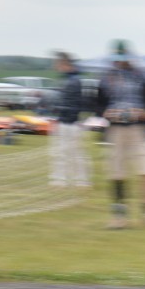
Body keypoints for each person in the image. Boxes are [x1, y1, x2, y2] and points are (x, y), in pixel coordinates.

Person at [94, 41, 145, 228]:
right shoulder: (105, 79)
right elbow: (97, 104)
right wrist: (106, 113)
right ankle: (119, 216)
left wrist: (144, 112)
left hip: (139, 129)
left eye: (123, 58)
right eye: (117, 58)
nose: (120, 62)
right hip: (116, 129)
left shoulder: (143, 76)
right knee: (117, 171)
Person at [49, 51, 90, 187]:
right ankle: (62, 179)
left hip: (70, 123)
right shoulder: (68, 80)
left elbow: (71, 103)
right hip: (65, 121)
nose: (55, 66)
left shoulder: (73, 81)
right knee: (63, 153)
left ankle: (79, 180)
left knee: (72, 153)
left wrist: (61, 118)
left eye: (57, 63)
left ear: (65, 64)